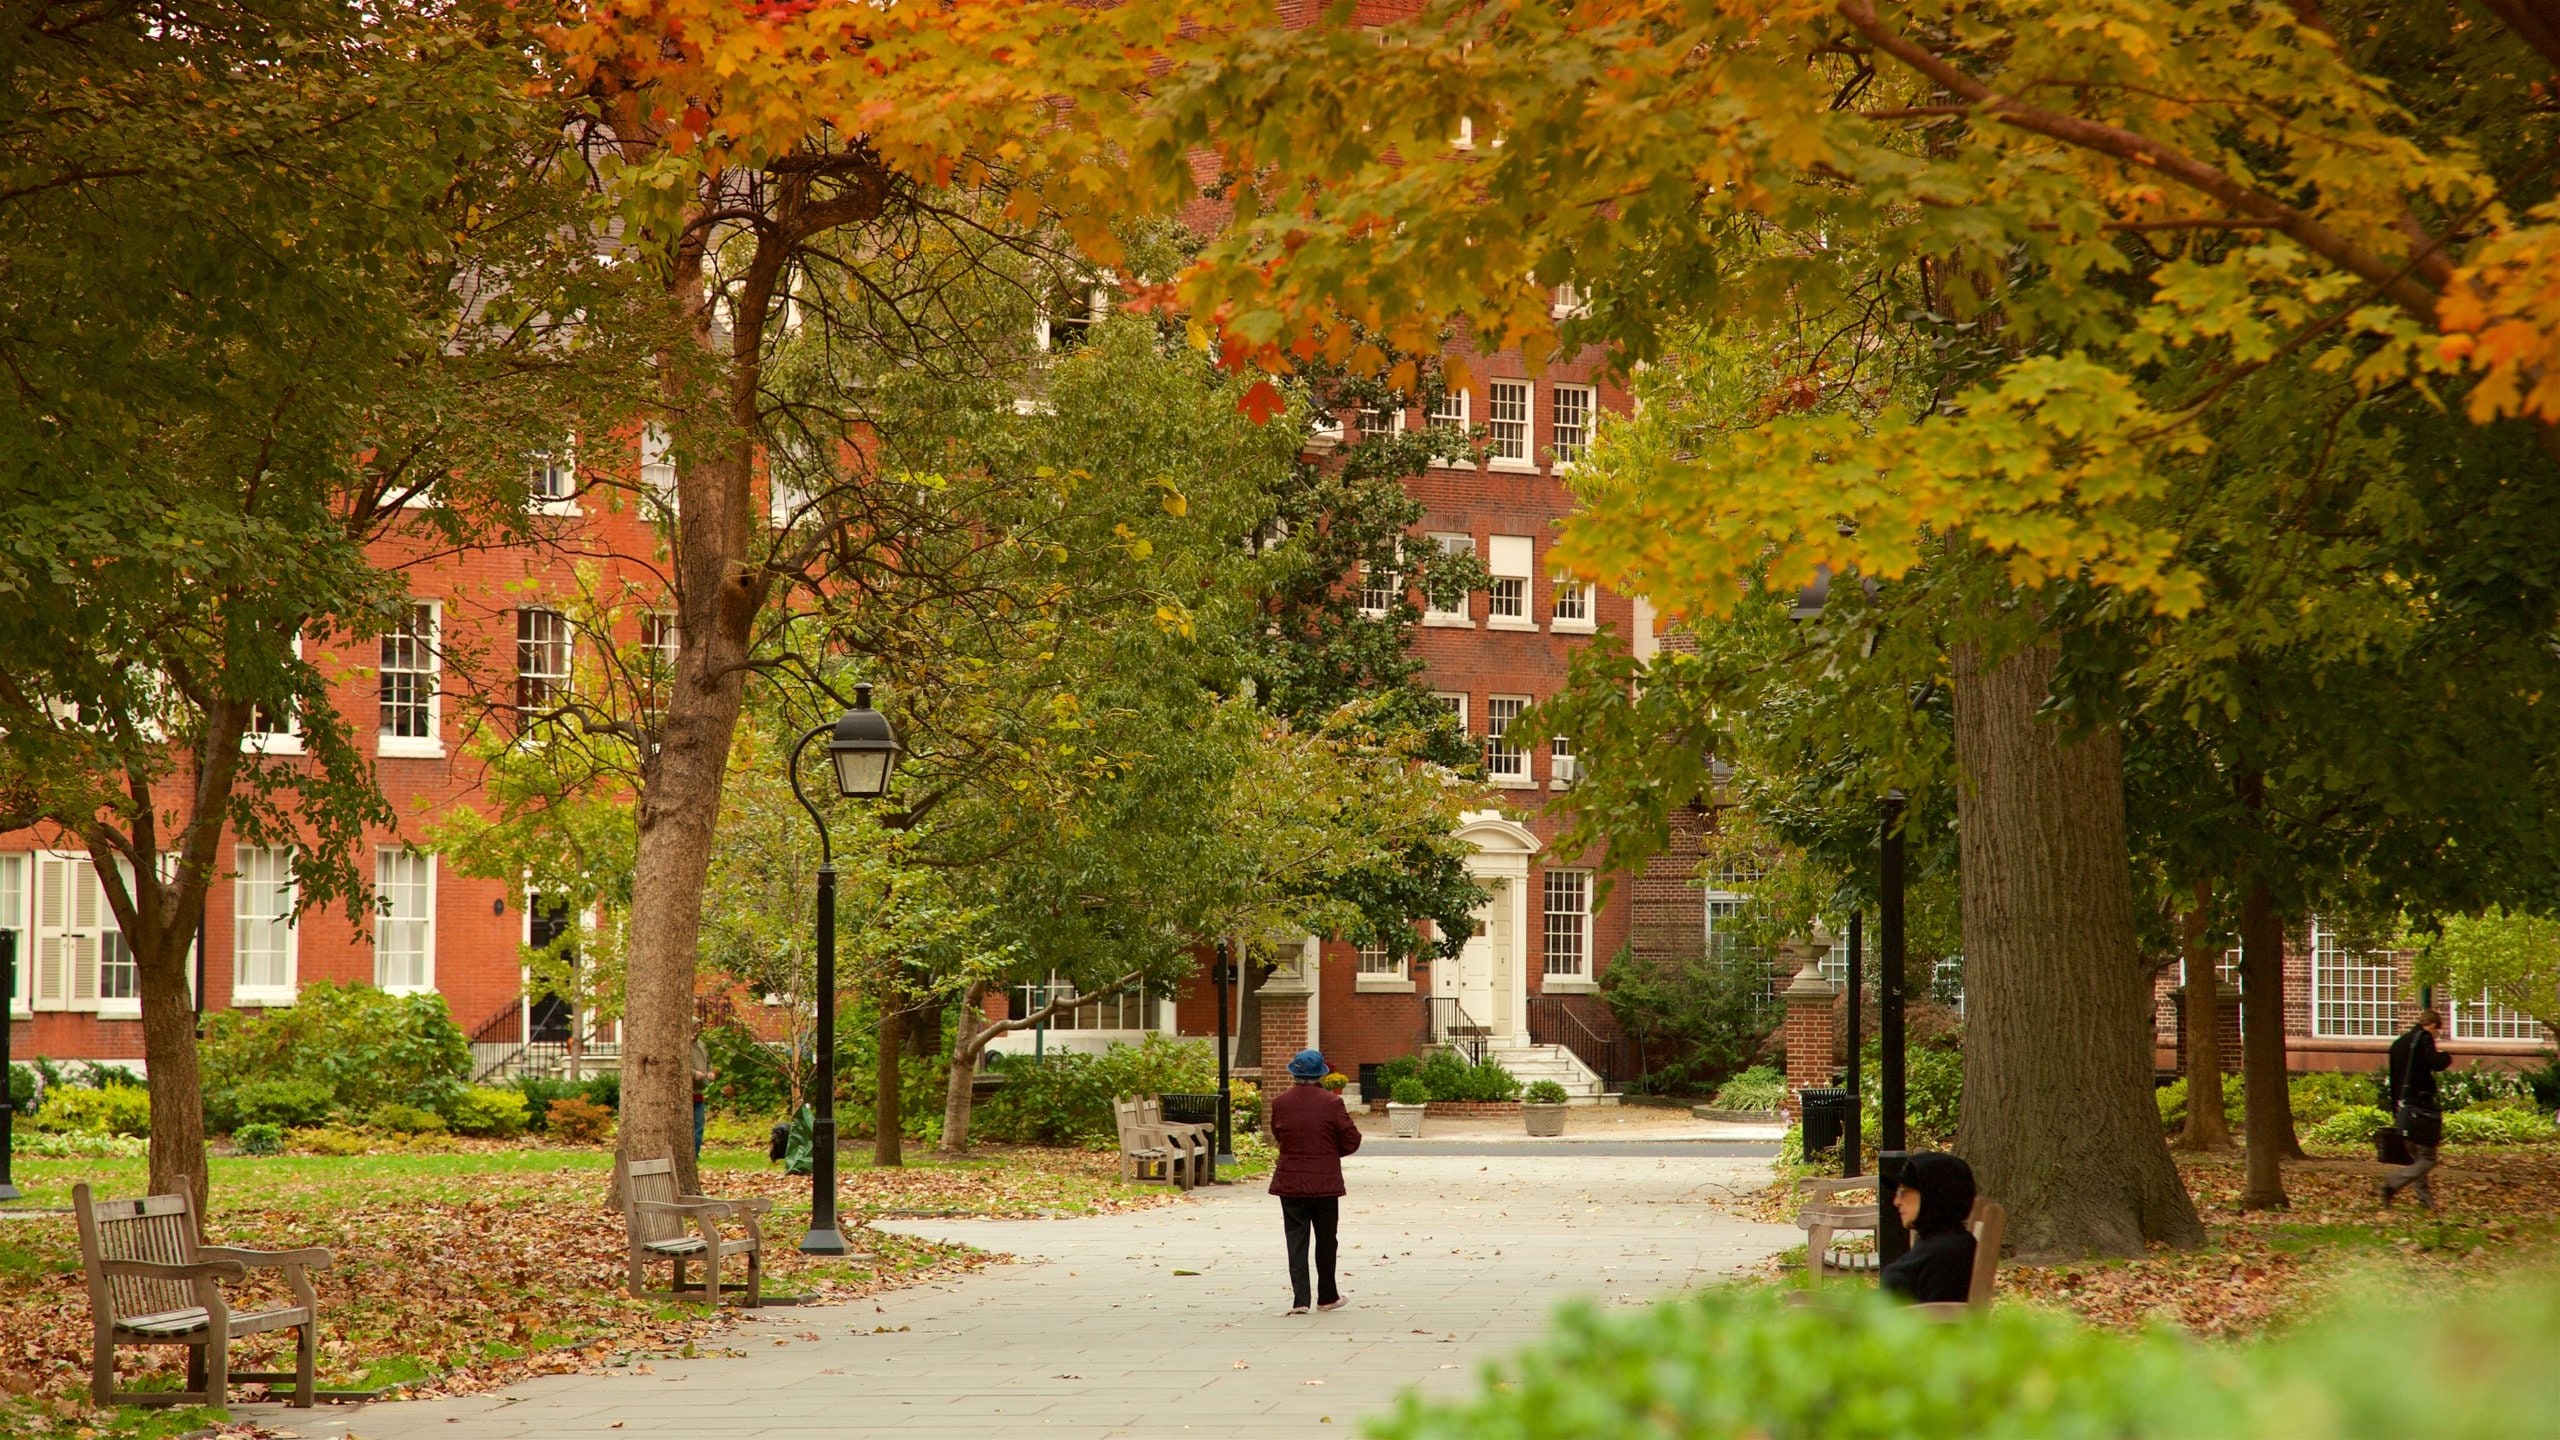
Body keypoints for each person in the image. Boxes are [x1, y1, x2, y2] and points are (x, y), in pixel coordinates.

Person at [1269, 1047, 1362, 1315]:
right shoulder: (1332, 1103)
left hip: (1290, 1181)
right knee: (1325, 1239)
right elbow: (1351, 1138)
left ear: (1294, 1074)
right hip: (1324, 1183)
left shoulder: (1280, 1102)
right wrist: (1330, 1153)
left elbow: (1279, 1133)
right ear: (1321, 1074)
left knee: (1296, 1239)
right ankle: (1327, 1296)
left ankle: (1300, 1300)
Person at [1877, 1151, 1979, 1304]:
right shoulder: (1937, 1240)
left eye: (1904, 1191)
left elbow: (1940, 1318)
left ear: (1932, 1193)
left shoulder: (1946, 1252)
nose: (1896, 1201)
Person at [2384, 1007, 2453, 1209]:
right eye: (2437, 1031)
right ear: (2431, 1025)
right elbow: (2435, 1062)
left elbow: (2396, 1078)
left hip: (2402, 1106)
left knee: (2416, 1157)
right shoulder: (2423, 1038)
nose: (2436, 1036)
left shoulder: (2399, 1043)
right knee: (2427, 1158)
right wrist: (2446, 1057)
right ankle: (2392, 1183)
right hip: (2420, 1106)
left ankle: (2426, 1202)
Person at [691, 1032, 714, 1159]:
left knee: (698, 1125)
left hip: (699, 1092)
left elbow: (709, 1062)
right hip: (686, 1091)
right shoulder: (681, 1044)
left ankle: (695, 1153)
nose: (696, 1033)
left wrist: (709, 1072)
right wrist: (693, 1073)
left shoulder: (701, 1045)